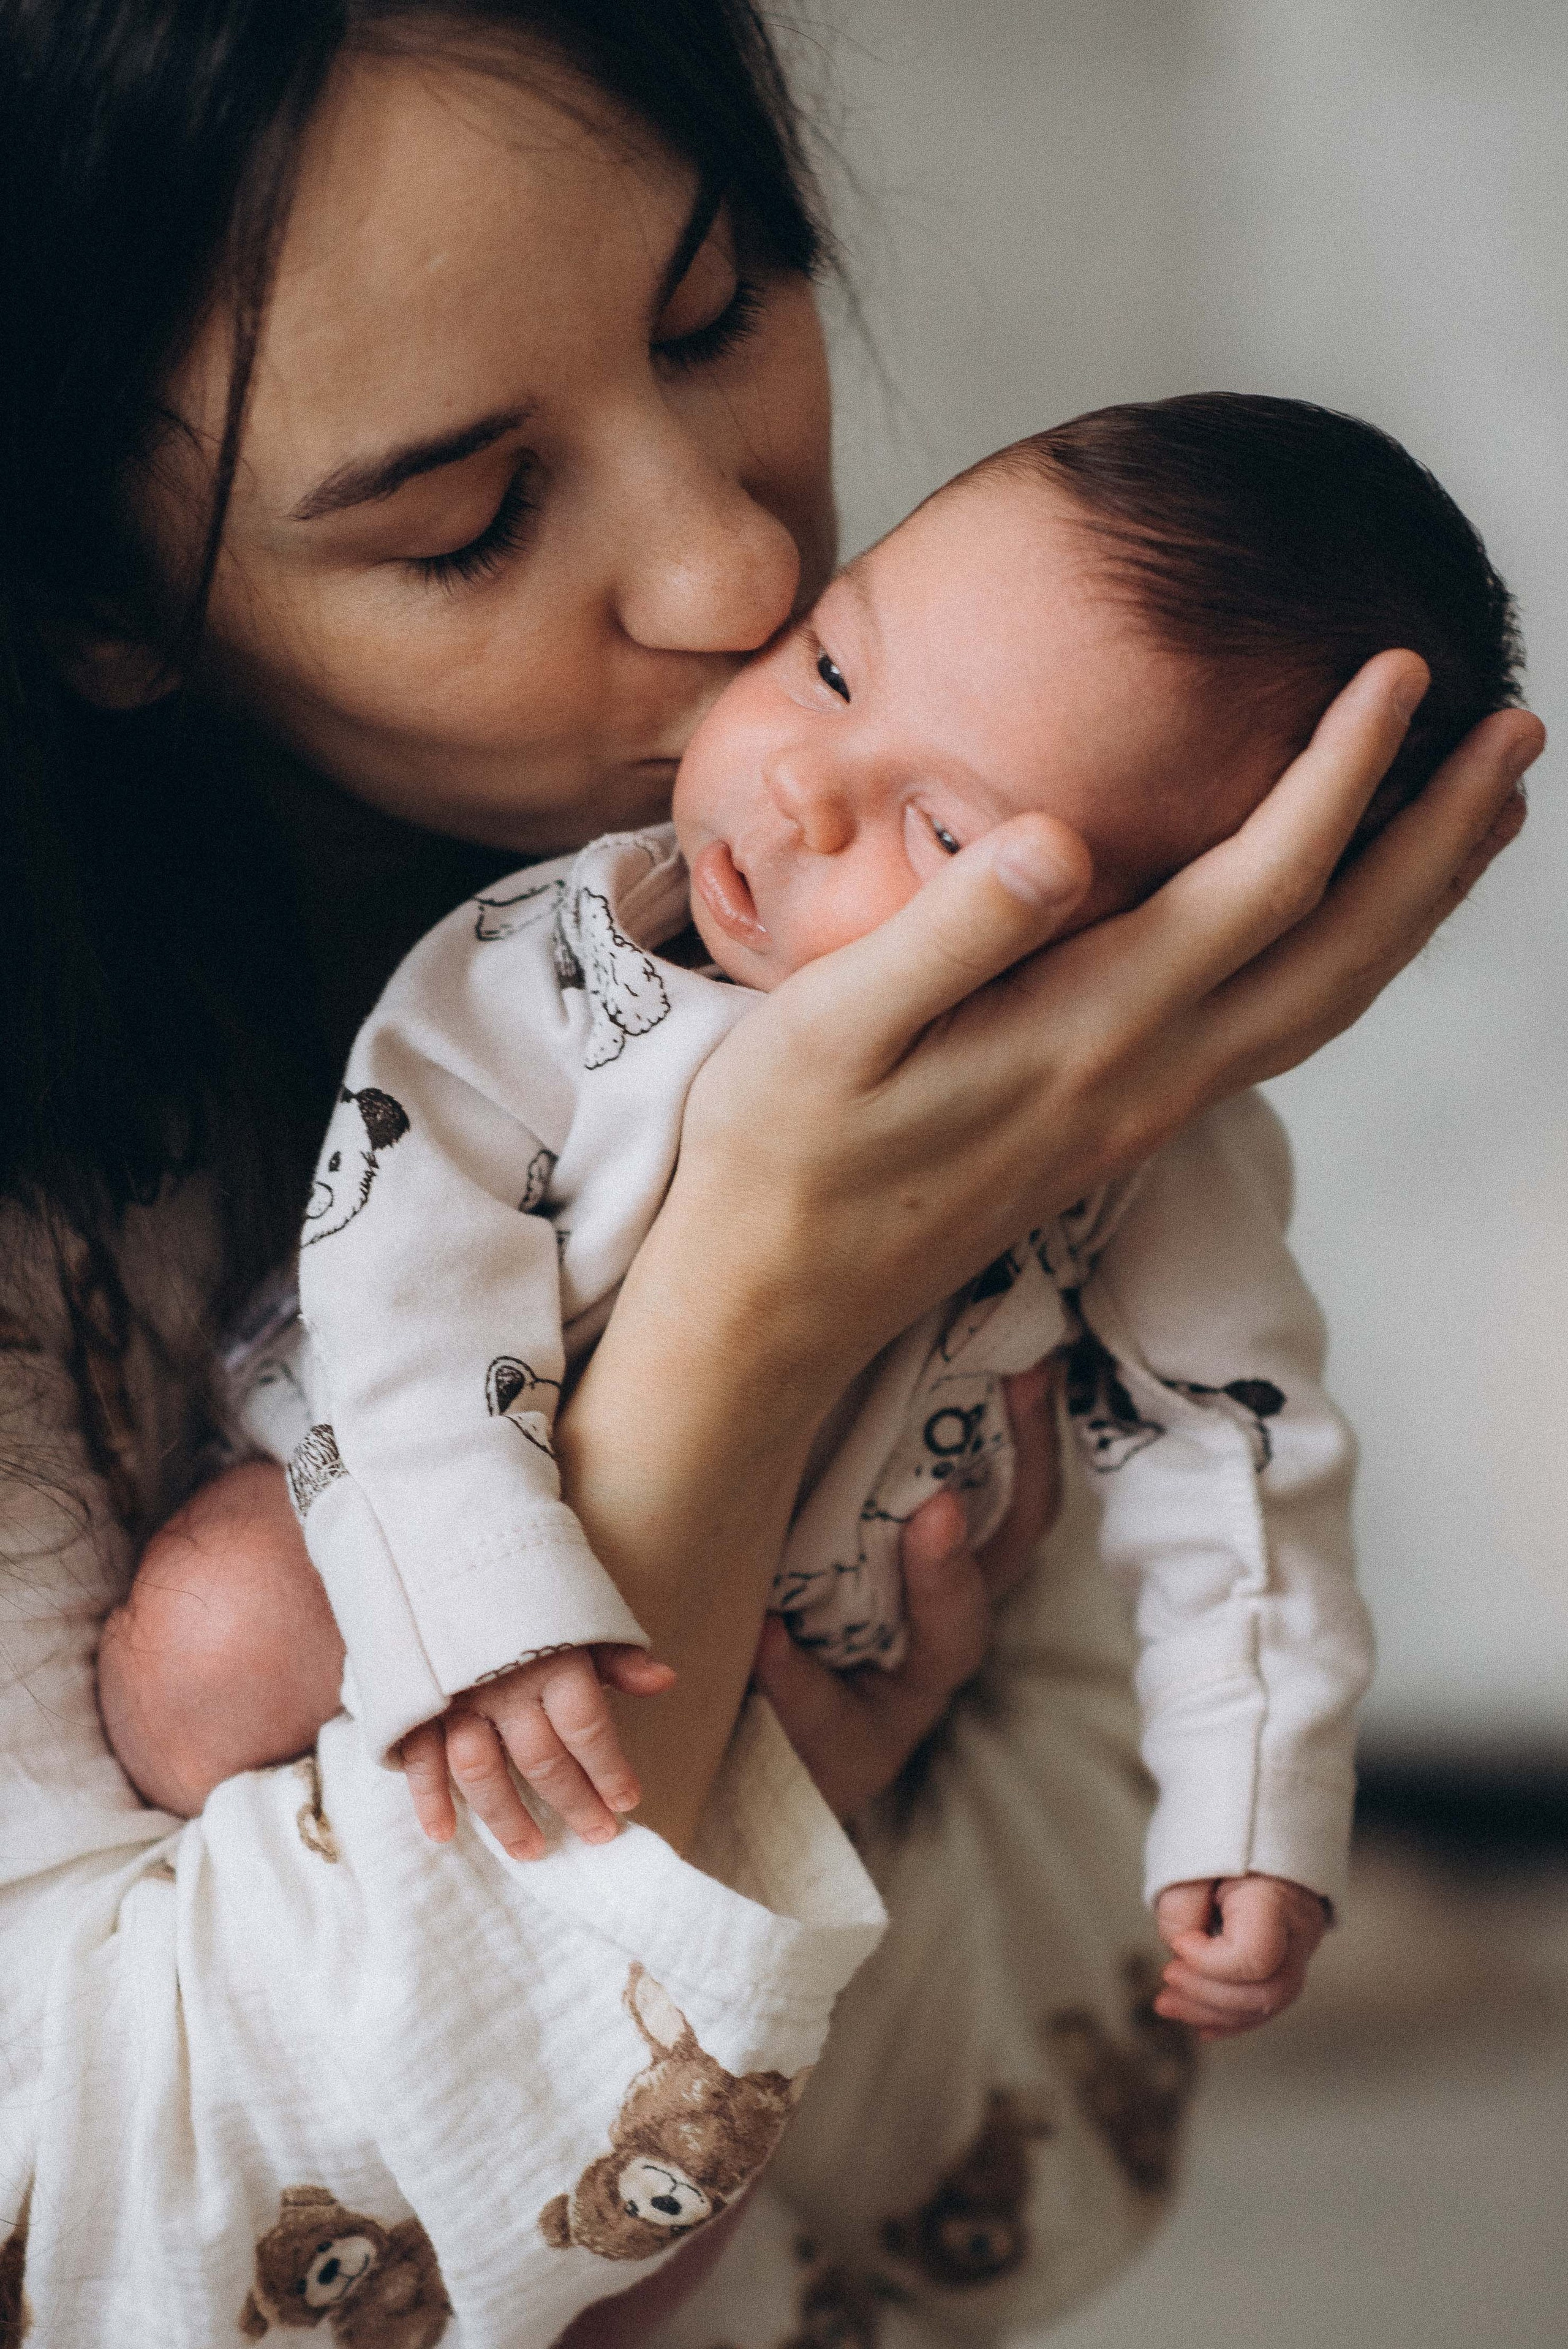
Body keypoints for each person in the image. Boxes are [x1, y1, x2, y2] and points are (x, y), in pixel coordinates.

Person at [0, 4, 1541, 2343]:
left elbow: (1023, 2175)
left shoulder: (992, 1021)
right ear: (97, 596)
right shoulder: (526, 1002)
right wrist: (754, 1314)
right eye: (464, 517)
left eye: (724, 312)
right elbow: (125, 2259)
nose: (738, 576)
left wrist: (1206, 1809)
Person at [100, 388, 1520, 2056]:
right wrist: (483, 1584)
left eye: (946, 833)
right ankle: (290, 1961)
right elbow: (401, 1248)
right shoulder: (567, 961)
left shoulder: (1139, 1150)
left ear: (1178, 948)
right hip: (410, 1529)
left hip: (784, 1693)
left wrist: (1256, 1797)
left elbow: (1239, 1441)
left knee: (693, 2168)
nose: (802, 789)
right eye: (834, 669)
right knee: (219, 1627)